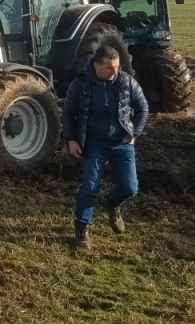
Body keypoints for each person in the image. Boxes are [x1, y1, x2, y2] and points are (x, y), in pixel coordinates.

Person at [63, 45, 149, 249]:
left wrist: (134, 134)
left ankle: (112, 203)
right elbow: (68, 112)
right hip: (94, 143)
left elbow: (143, 107)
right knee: (89, 187)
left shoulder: (127, 81)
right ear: (96, 66)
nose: (115, 72)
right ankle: (82, 227)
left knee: (130, 187)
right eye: (110, 68)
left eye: (117, 67)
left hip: (122, 142)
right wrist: (71, 139)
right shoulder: (81, 83)